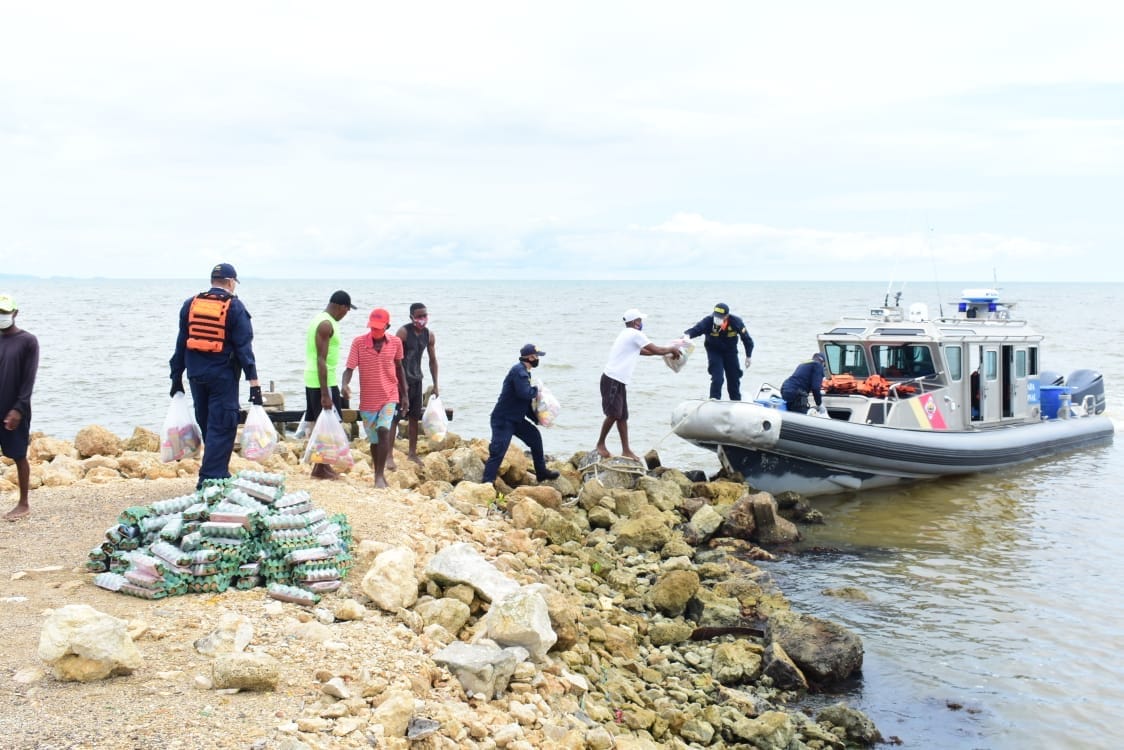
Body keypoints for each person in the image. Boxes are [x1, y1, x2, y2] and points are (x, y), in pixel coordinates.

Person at [169, 263, 262, 490]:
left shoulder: (190, 304)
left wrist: (176, 377)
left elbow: (181, 344)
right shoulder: (234, 306)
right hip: (223, 377)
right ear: (231, 282)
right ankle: (211, 480)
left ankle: (216, 473)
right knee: (222, 426)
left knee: (208, 424)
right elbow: (244, 349)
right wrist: (254, 385)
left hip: (196, 376)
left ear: (212, 280)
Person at [595, 309, 681, 460]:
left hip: (618, 380)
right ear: (635, 322)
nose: (642, 324)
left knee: (622, 416)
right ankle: (600, 444)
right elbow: (656, 349)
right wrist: (671, 349)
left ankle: (626, 450)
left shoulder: (626, 334)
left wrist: (666, 353)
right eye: (640, 321)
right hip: (612, 379)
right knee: (614, 414)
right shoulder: (634, 334)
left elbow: (645, 351)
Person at [342, 308, 407, 489]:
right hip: (368, 400)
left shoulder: (395, 343)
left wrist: (405, 395)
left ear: (387, 326)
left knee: (384, 429)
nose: (376, 330)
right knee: (374, 440)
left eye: (379, 327)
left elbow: (399, 369)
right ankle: (377, 473)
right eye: (373, 327)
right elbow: (349, 369)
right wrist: (345, 385)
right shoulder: (359, 343)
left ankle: (379, 475)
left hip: (389, 395)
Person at [482, 344, 559, 484]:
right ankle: (487, 482)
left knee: (535, 437)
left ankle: (541, 472)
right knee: (498, 451)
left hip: (515, 419)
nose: (537, 359)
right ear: (530, 357)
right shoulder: (519, 371)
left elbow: (525, 403)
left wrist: (537, 419)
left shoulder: (525, 372)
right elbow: (524, 393)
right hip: (503, 419)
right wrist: (537, 390)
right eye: (536, 356)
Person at [303, 290, 357, 479]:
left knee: (322, 424)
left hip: (316, 380)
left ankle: (322, 466)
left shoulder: (321, 319)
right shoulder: (326, 324)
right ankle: (320, 468)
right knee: (326, 425)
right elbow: (321, 359)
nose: (346, 314)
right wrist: (326, 394)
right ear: (341, 307)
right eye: (347, 310)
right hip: (322, 382)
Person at [0, 295, 39, 521]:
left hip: (14, 410)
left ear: (15, 313)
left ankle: (23, 503)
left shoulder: (27, 341)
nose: (2, 317)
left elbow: (28, 379)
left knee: (18, 455)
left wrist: (18, 409)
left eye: (5, 312)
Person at [393, 302, 439, 466]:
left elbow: (432, 360)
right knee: (395, 417)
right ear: (412, 317)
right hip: (401, 380)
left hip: (417, 379)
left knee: (414, 417)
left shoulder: (428, 335)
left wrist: (435, 384)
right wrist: (399, 383)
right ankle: (389, 455)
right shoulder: (403, 333)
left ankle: (412, 453)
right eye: (419, 316)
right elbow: (394, 360)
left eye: (424, 315)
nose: (422, 319)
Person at [684, 302, 755, 400]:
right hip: (714, 351)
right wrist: (687, 335)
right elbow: (697, 329)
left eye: (721, 317)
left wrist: (748, 356)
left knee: (734, 378)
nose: (718, 318)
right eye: (716, 316)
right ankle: (714, 400)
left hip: (730, 352)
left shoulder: (736, 322)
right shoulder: (708, 321)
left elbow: (747, 339)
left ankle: (736, 401)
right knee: (717, 378)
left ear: (727, 316)